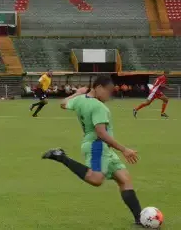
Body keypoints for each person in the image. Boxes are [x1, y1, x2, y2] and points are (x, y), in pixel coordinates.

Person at [41, 76, 143, 227]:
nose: (110, 95)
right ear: (99, 87)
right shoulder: (99, 107)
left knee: (124, 179)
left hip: (102, 147)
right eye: (108, 91)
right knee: (96, 179)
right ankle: (61, 157)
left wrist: (77, 93)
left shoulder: (81, 99)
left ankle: (139, 219)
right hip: (97, 146)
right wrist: (124, 149)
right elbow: (101, 133)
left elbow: (63, 104)